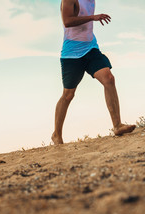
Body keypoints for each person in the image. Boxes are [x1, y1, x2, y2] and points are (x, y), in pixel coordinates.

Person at [52, 0, 135, 145]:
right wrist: (93, 17)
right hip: (71, 54)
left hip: (91, 48)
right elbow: (67, 21)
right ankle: (56, 134)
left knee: (109, 78)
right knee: (68, 95)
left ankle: (117, 126)